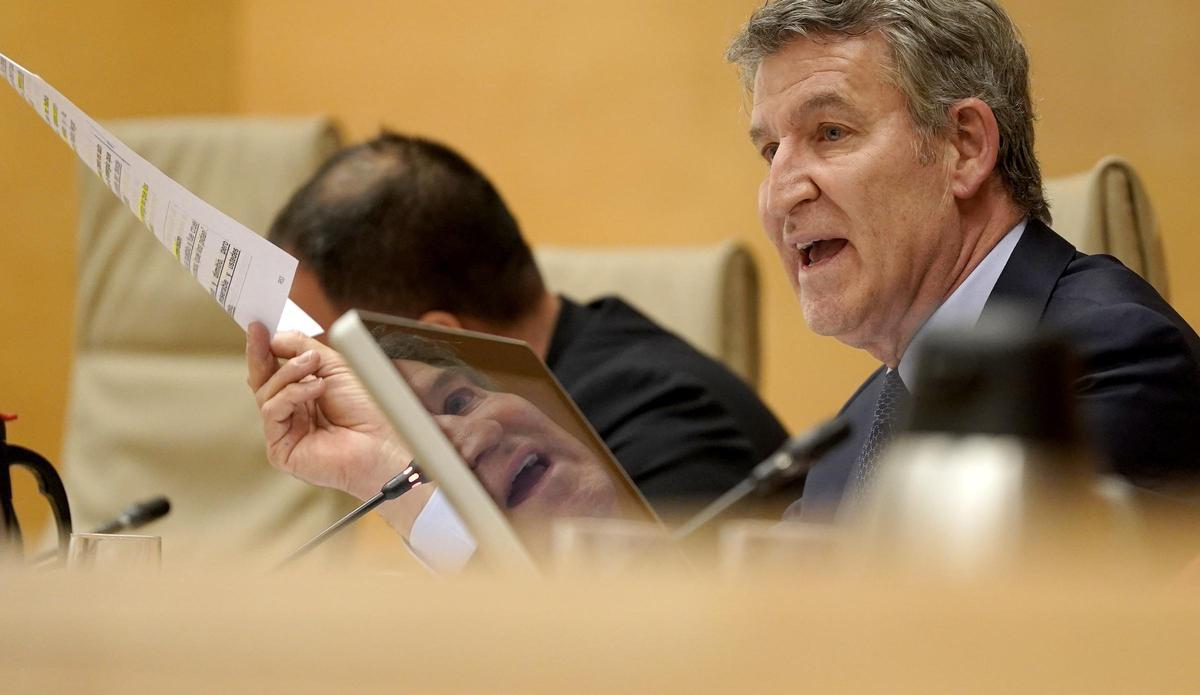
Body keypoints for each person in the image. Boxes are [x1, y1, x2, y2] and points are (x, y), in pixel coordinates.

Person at [725, 0, 1200, 519]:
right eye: (771, 150)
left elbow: (997, 596)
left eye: (831, 132)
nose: (779, 195)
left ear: (966, 147)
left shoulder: (1107, 360)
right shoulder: (847, 441)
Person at [247, 132, 789, 560]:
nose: (333, 389)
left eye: (341, 356)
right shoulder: (546, 401)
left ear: (436, 335)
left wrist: (385, 470)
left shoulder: (662, 425)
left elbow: (594, 652)